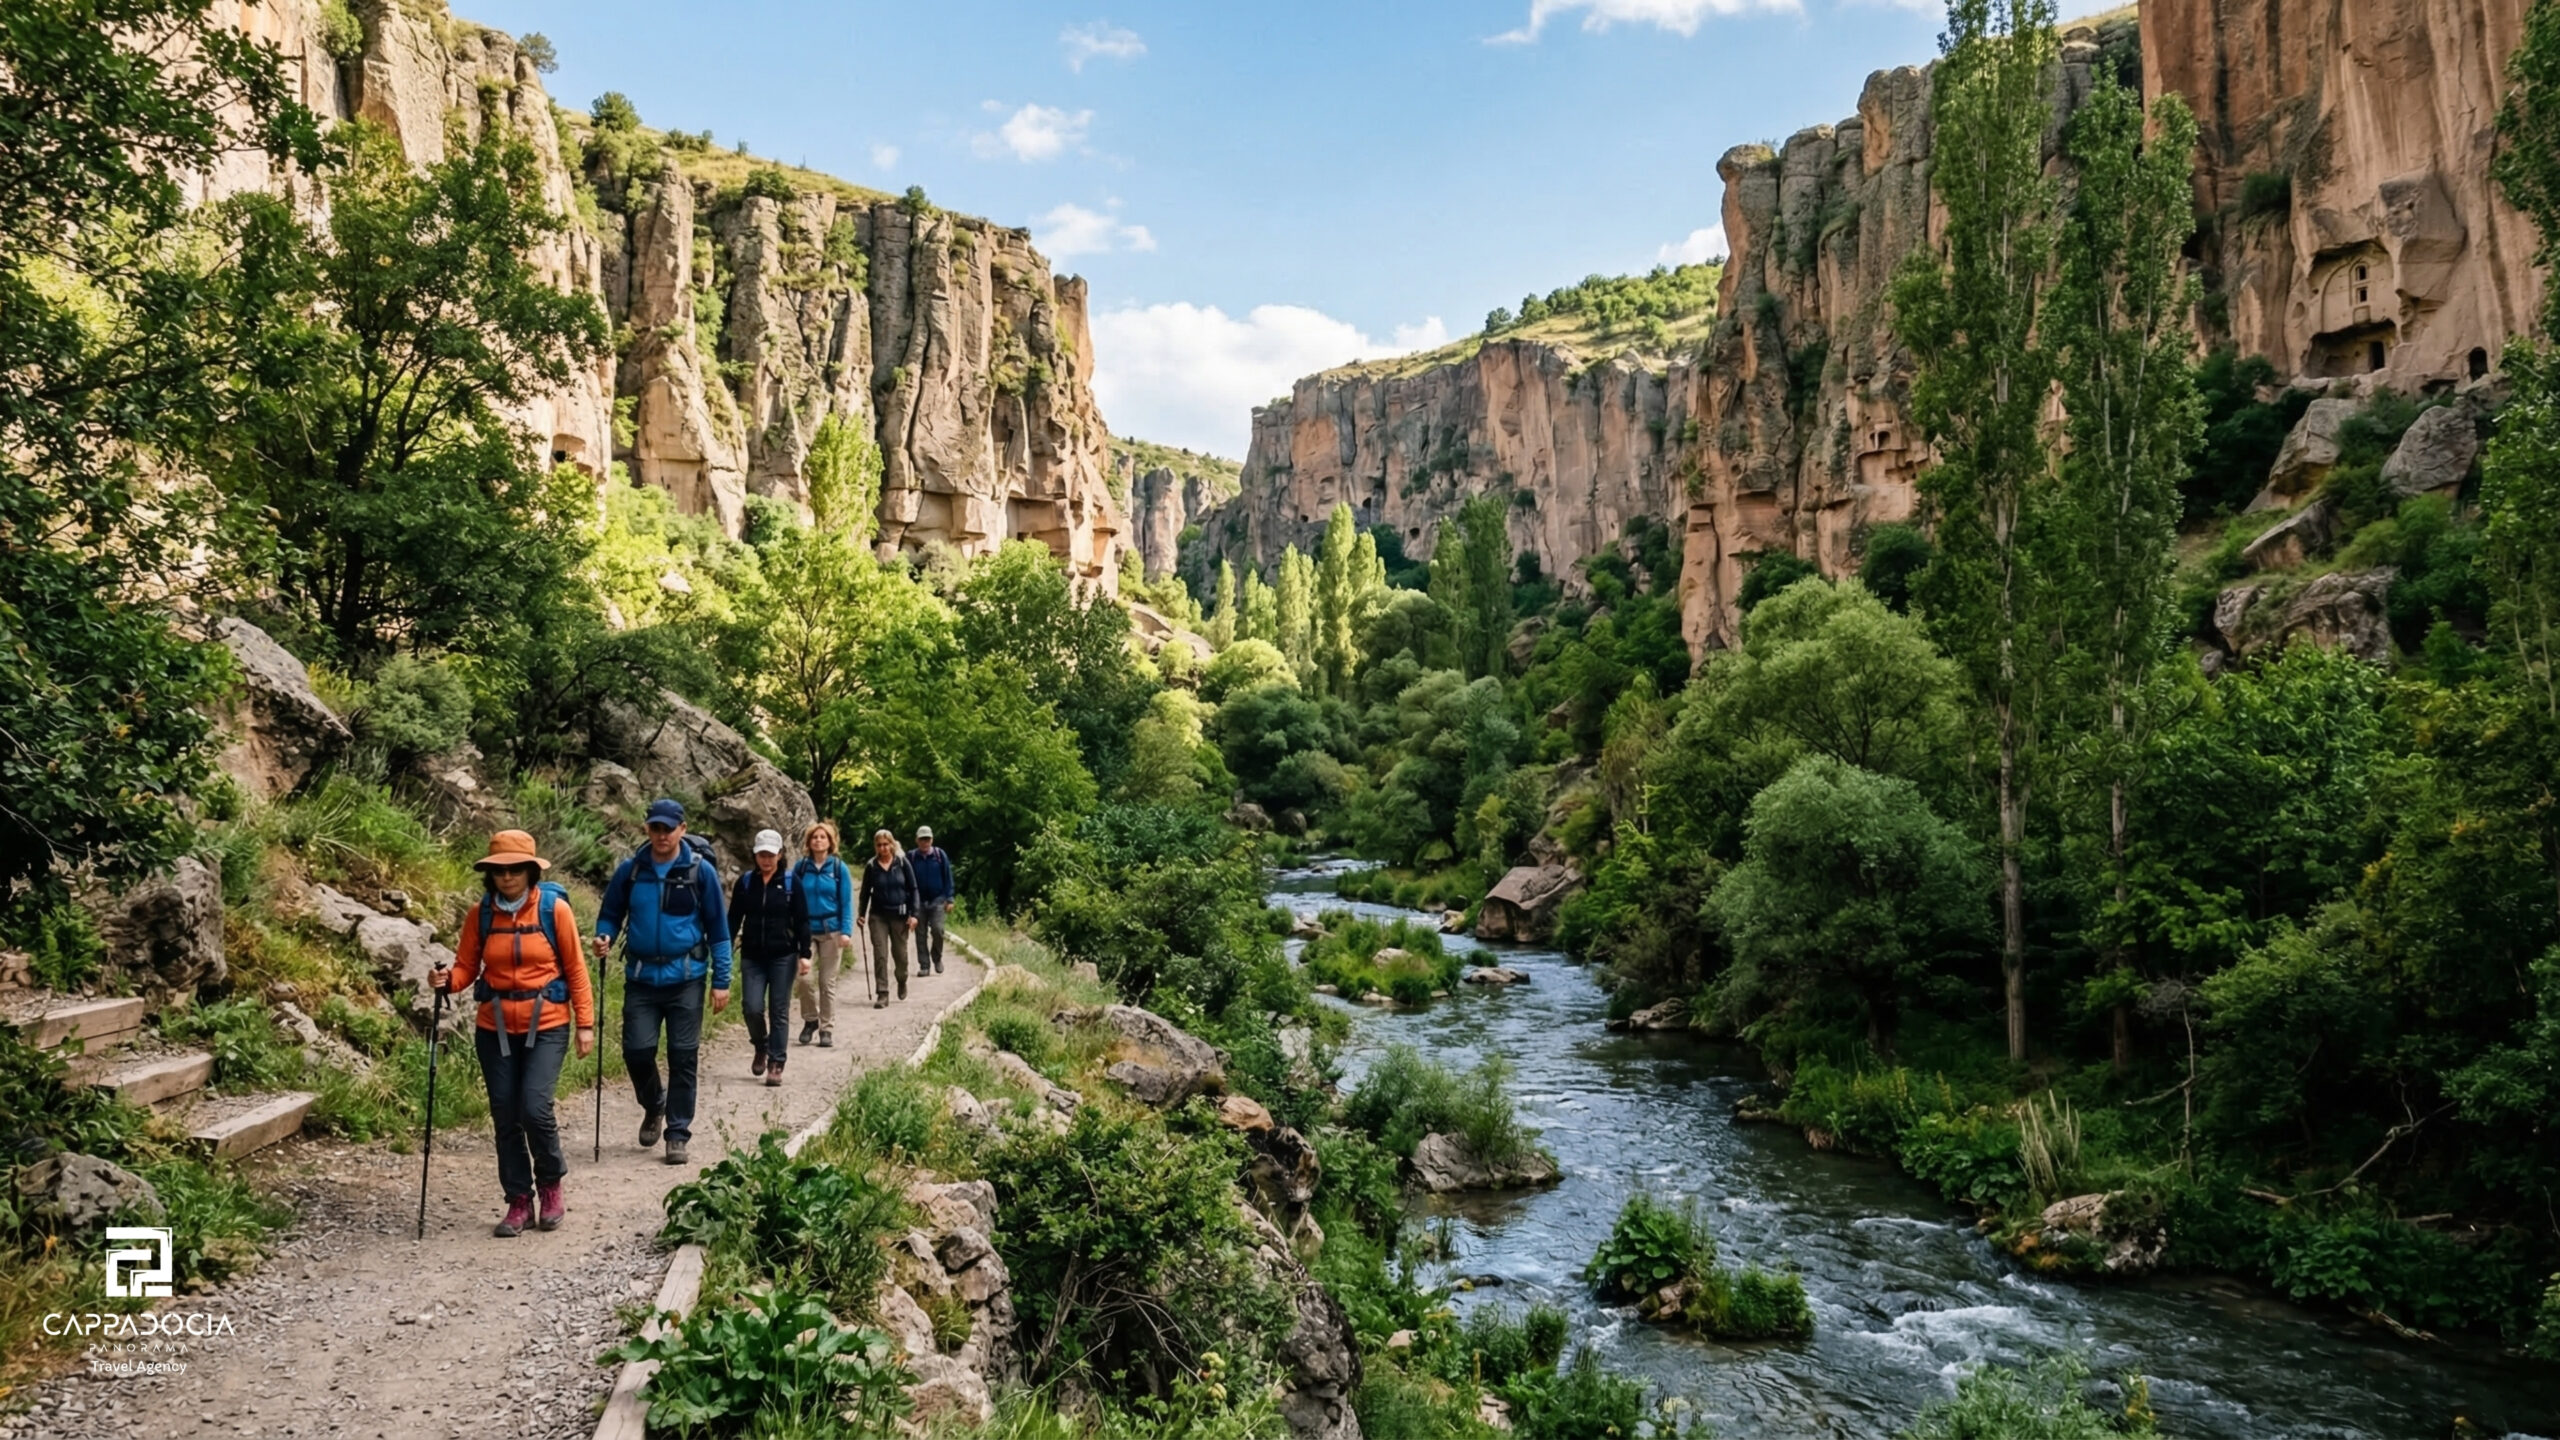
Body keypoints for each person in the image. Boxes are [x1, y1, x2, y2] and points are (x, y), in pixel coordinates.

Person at [432, 830, 594, 1237]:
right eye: (499, 870)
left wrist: (586, 1025)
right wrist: (447, 981)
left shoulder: (555, 911)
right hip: (495, 1026)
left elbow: (575, 968)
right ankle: (518, 1200)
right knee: (505, 1113)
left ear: (530, 871)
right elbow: (467, 968)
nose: (507, 877)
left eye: (515, 869)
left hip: (548, 1024)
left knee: (534, 1108)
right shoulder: (481, 914)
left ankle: (551, 1185)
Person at [595, 798, 731, 1166]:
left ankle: (677, 1133)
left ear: (682, 830)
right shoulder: (631, 870)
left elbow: (719, 929)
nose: (661, 835)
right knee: (637, 1051)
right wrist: (603, 936)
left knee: (683, 1056)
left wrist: (722, 979)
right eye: (655, 828)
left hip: (686, 977)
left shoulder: (700, 872)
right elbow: (609, 914)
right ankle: (654, 1103)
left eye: (667, 829)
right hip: (641, 977)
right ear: (647, 829)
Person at [730, 829, 809, 1086]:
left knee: (779, 1010)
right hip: (752, 955)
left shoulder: (790, 882)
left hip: (783, 956)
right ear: (755, 855)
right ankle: (761, 1045)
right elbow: (733, 919)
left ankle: (776, 1062)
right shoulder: (745, 883)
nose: (766, 860)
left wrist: (805, 954)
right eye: (762, 854)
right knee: (751, 1007)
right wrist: (724, 947)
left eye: (771, 855)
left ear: (780, 855)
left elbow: (802, 920)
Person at [792, 823, 854, 1047]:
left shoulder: (838, 868)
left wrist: (846, 931)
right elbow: (793, 899)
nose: (818, 840)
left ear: (830, 842)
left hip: (831, 930)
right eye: (814, 837)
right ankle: (810, 1020)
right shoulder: (801, 868)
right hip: (805, 930)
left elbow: (846, 902)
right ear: (809, 842)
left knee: (827, 982)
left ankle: (826, 1029)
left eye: (823, 837)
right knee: (803, 978)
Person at [858, 828, 921, 1005]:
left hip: (899, 915)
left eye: (886, 844)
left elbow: (914, 889)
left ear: (892, 844)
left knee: (900, 956)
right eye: (879, 845)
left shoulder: (902, 863)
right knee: (880, 955)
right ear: (876, 847)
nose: (883, 848)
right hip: (878, 916)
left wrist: (914, 914)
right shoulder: (872, 866)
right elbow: (864, 893)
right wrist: (861, 914)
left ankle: (901, 979)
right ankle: (882, 992)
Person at [909, 825, 954, 976]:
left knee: (938, 930)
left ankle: (937, 957)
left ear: (932, 839)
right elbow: (907, 881)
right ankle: (924, 965)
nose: (925, 842)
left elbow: (948, 877)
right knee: (920, 934)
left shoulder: (939, 855)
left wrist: (950, 898)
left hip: (937, 899)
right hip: (918, 901)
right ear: (917, 840)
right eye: (922, 839)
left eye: (927, 839)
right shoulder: (912, 857)